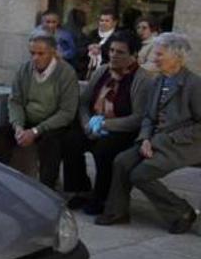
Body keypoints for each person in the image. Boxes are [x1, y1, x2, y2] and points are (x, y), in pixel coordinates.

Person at [95, 33, 200, 234]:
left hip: (183, 144)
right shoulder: (158, 81)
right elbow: (148, 117)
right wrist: (144, 139)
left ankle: (181, 211)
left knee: (140, 174)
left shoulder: (194, 84)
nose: (154, 58)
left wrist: (165, 139)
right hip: (154, 141)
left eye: (160, 54)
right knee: (122, 161)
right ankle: (117, 211)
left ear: (177, 57)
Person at [62, 31, 152, 215]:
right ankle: (81, 189)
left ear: (133, 55)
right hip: (94, 123)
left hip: (122, 128)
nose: (113, 55)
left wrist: (104, 125)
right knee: (71, 140)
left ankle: (101, 196)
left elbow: (138, 117)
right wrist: (88, 123)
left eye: (120, 52)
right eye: (111, 50)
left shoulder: (142, 79)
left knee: (104, 150)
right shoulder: (102, 71)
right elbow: (84, 102)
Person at [0, 30, 79, 188]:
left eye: (41, 53)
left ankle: (46, 189)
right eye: (32, 53)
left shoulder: (66, 72)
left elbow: (67, 112)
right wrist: (18, 126)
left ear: (52, 52)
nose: (35, 58)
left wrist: (36, 131)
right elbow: (15, 101)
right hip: (28, 120)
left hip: (53, 123)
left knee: (50, 143)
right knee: (0, 134)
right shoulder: (24, 69)